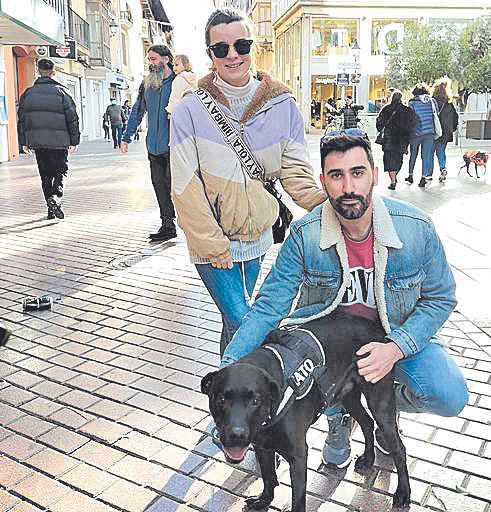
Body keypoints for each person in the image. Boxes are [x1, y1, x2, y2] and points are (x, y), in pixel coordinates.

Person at [221, 129, 468, 468]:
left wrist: (395, 348)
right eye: (336, 175)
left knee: (449, 394)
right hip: (330, 347)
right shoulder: (305, 234)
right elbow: (270, 306)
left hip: (396, 334)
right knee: (303, 371)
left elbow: (440, 298)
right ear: (323, 181)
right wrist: (231, 367)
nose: (348, 187)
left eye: (357, 173)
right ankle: (339, 412)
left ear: (375, 176)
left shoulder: (415, 227)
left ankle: (380, 412)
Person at [170, 7, 326, 357]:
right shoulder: (189, 110)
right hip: (213, 242)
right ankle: (245, 401)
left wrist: (333, 207)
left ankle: (231, 401)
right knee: (246, 322)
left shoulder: (282, 104)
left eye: (241, 44)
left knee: (234, 323)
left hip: (256, 236)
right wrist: (213, 245)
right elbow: (184, 186)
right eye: (220, 48)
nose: (233, 55)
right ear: (209, 55)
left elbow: (296, 173)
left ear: (252, 46)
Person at [121, 45, 177, 242]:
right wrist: (126, 137)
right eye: (149, 60)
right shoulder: (147, 84)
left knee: (175, 187)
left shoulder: (180, 82)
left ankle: (191, 224)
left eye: (153, 59)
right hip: (153, 147)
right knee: (159, 186)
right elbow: (138, 110)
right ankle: (168, 224)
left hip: (175, 147)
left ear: (166, 59)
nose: (150, 63)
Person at [17, 58, 80, 220]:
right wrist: (74, 141)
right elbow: (73, 119)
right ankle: (56, 197)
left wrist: (23, 141)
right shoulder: (63, 92)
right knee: (61, 171)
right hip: (60, 141)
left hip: (38, 142)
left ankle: (50, 209)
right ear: (54, 72)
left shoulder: (28, 94)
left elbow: (22, 120)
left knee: (45, 175)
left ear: (38, 71)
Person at [376, 90, 418, 190]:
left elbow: (379, 123)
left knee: (389, 161)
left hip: (388, 139)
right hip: (402, 140)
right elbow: (413, 124)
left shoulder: (386, 109)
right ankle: (395, 176)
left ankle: (393, 180)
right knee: (399, 160)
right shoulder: (407, 110)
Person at [407, 83, 437, 188]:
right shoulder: (431, 101)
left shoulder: (412, 103)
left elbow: (409, 119)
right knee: (426, 156)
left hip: (416, 133)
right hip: (430, 133)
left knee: (413, 154)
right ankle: (423, 178)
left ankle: (410, 176)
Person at [431, 79, 459, 182]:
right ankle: (443, 168)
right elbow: (456, 117)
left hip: (433, 131)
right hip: (445, 133)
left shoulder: (432, 102)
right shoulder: (449, 104)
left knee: (430, 153)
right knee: (441, 152)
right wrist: (453, 128)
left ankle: (428, 174)